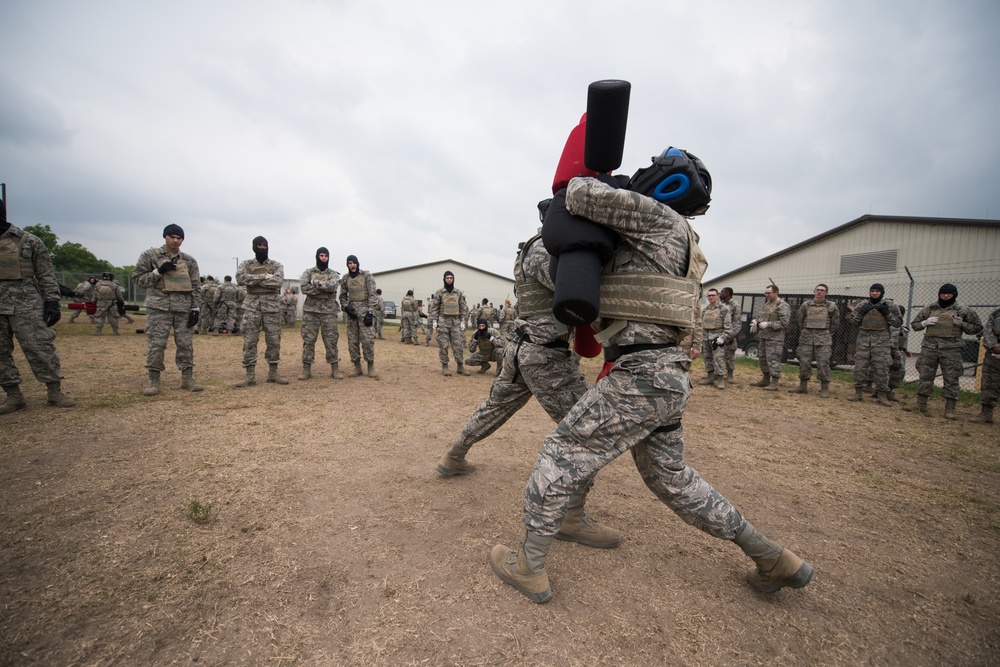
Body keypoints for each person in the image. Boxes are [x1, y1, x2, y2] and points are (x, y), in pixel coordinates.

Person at [490, 150, 813, 604]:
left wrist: (608, 177)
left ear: (671, 183)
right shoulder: (685, 241)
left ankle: (529, 565)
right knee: (671, 478)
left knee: (561, 452)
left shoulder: (656, 218)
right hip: (667, 375)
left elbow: (578, 192)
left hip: (641, 372)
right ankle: (773, 557)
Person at [438, 225, 621, 549]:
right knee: (590, 429)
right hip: (544, 356)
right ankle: (572, 517)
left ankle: (455, 456)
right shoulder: (548, 250)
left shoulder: (540, 247)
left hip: (522, 349)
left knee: (495, 408)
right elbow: (579, 293)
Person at [0, 198, 76, 413]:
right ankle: (13, 395)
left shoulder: (28, 241)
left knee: (39, 347)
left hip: (26, 304)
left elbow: (45, 274)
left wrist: (52, 300)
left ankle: (54, 391)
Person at [133, 224, 203, 396]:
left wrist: (195, 307)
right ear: (165, 237)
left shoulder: (188, 260)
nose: (176, 240)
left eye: (179, 238)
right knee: (156, 344)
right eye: (172, 237)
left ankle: (187, 379)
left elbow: (195, 286)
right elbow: (139, 280)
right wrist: (158, 272)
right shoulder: (150, 256)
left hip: (183, 308)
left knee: (185, 344)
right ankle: (154, 381)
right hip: (159, 308)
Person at [905, 283, 983, 419]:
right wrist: (924, 323)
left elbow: (977, 328)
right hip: (930, 347)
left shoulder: (963, 310)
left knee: (951, 377)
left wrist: (962, 324)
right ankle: (921, 404)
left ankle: (950, 409)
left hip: (951, 349)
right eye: (943, 294)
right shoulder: (930, 308)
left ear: (954, 295)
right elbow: (914, 325)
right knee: (925, 376)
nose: (945, 296)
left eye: (949, 294)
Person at [235, 236, 288, 386]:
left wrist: (253, 279)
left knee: (273, 341)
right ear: (254, 247)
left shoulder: (276, 265)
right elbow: (240, 279)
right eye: (259, 245)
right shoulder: (246, 264)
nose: (262, 248)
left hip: (272, 308)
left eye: (265, 245)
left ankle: (273, 373)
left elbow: (277, 281)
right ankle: (249, 375)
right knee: (249, 341)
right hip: (252, 307)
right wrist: (264, 276)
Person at [848, 284, 902, 406]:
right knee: (860, 367)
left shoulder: (890, 306)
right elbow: (853, 322)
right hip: (864, 340)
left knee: (882, 368)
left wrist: (887, 313)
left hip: (882, 341)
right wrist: (861, 313)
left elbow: (898, 323)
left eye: (877, 291)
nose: (874, 293)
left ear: (882, 292)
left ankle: (882, 395)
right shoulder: (862, 305)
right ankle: (858, 393)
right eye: (872, 291)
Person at [298, 247, 344, 381]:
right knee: (308, 340)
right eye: (321, 255)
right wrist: (323, 289)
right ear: (317, 256)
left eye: (326, 256)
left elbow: (332, 287)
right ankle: (306, 369)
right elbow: (304, 288)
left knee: (331, 340)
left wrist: (314, 283)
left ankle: (335, 369)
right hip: (311, 312)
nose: (324, 258)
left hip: (328, 312)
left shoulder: (333, 274)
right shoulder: (308, 272)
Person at [790, 284, 840, 397]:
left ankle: (824, 388)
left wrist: (826, 333)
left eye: (822, 290)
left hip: (823, 340)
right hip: (806, 338)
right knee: (804, 362)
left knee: (823, 363)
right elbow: (800, 320)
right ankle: (803, 386)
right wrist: (807, 332)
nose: (819, 292)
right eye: (817, 290)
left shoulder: (832, 307)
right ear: (814, 291)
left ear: (826, 293)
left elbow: (835, 324)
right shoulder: (806, 305)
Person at [338, 254, 380, 379]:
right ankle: (357, 367)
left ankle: (370, 366)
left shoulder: (366, 276)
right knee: (352, 342)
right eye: (350, 263)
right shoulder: (345, 279)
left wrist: (370, 312)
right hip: (352, 315)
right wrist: (346, 307)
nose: (352, 265)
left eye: (354, 263)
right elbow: (342, 296)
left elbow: (373, 294)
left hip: (365, 312)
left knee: (367, 341)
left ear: (357, 263)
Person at [749, 285, 791, 391]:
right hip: (764, 336)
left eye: (769, 293)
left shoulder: (782, 305)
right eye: (765, 293)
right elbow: (763, 317)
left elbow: (784, 323)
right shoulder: (767, 304)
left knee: (773, 360)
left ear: (776, 292)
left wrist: (769, 324)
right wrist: (756, 321)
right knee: (763, 358)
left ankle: (774, 382)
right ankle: (765, 379)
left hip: (775, 338)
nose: (766, 295)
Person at [430, 271, 471, 376]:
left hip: (455, 322)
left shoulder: (458, 293)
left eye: (451, 278)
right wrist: (434, 320)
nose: (449, 279)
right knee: (443, 345)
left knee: (458, 345)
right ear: (444, 279)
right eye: (447, 278)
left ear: (453, 279)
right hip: (443, 321)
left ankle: (460, 366)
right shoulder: (439, 292)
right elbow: (434, 308)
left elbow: (462, 307)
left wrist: (463, 320)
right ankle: (445, 366)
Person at [971, 306, 1000, 424]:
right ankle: (986, 413)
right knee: (989, 384)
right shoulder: (996, 313)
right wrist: (994, 346)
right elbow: (988, 331)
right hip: (994, 354)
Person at [698, 288, 730, 390]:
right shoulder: (705, 309)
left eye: (713, 295)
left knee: (718, 358)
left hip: (717, 338)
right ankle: (710, 377)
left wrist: (722, 338)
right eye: (709, 295)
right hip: (706, 337)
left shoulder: (724, 309)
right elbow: (702, 324)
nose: (711, 297)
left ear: (718, 296)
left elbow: (728, 326)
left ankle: (720, 380)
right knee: (707, 357)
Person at [718, 287, 741, 383]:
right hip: (719, 334)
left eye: (722, 292)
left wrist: (731, 335)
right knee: (717, 356)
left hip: (729, 335)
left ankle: (730, 375)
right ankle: (717, 374)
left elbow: (737, 323)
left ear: (728, 293)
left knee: (729, 356)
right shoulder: (720, 305)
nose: (720, 293)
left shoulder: (735, 305)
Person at [92, 271, 125, 336]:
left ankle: (98, 331)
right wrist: (121, 302)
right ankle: (115, 332)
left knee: (100, 317)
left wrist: (94, 301)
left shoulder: (98, 285)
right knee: (113, 317)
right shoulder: (114, 285)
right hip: (112, 303)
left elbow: (95, 295)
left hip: (101, 303)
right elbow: (119, 295)